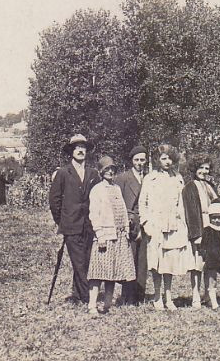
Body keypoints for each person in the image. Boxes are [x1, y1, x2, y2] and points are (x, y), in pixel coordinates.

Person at [138, 143, 192, 310]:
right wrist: (146, 223)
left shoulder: (177, 177)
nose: (167, 161)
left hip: (174, 225)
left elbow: (181, 204)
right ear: (157, 160)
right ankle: (157, 296)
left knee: (170, 261)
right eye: (163, 158)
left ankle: (168, 297)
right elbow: (143, 203)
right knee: (157, 262)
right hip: (156, 226)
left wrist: (184, 225)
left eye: (170, 158)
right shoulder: (150, 178)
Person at [48, 134, 95, 307]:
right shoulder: (63, 173)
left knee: (87, 258)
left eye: (83, 147)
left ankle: (77, 293)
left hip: (89, 225)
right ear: (71, 152)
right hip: (71, 225)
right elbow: (54, 201)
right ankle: (87, 297)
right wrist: (62, 221)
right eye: (76, 147)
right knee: (79, 261)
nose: (80, 150)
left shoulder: (93, 173)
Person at [87, 156, 136, 315]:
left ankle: (107, 305)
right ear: (101, 172)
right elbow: (94, 214)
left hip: (120, 236)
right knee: (97, 272)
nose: (110, 172)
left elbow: (121, 209)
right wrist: (100, 234)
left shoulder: (116, 188)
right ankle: (92, 305)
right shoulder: (97, 189)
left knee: (112, 272)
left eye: (112, 170)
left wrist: (126, 229)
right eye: (107, 169)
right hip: (105, 236)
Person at [182, 156, 220, 308]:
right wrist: (196, 235)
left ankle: (208, 293)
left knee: (210, 262)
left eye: (207, 168)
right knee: (197, 263)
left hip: (212, 226)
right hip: (199, 226)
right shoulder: (190, 187)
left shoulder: (210, 186)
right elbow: (191, 213)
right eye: (201, 168)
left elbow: (218, 205)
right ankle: (195, 295)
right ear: (194, 168)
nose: (204, 171)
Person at [113, 149, 150, 303]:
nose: (140, 163)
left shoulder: (149, 178)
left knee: (143, 260)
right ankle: (128, 296)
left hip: (146, 222)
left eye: (142, 160)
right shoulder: (123, 178)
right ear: (131, 161)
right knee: (129, 259)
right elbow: (117, 202)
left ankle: (139, 296)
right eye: (137, 160)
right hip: (130, 223)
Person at [196, 202, 220, 309]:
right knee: (212, 282)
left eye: (219, 217)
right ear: (210, 218)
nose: (217, 220)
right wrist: (204, 258)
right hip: (212, 259)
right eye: (214, 218)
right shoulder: (208, 230)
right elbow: (203, 245)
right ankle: (214, 303)